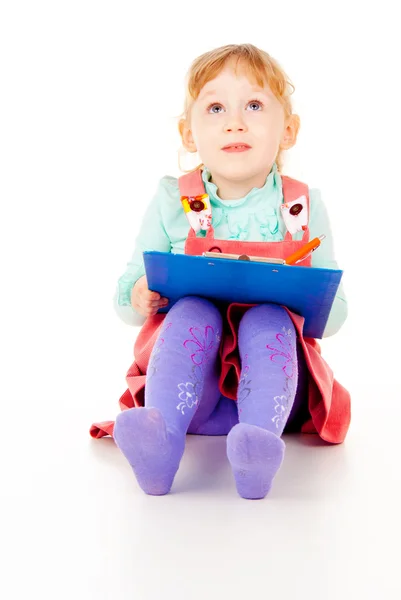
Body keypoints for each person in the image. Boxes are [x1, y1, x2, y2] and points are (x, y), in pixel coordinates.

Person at [90, 43, 350, 500]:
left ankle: (257, 451)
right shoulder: (174, 201)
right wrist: (138, 294)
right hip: (192, 394)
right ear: (189, 134)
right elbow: (125, 293)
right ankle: (161, 439)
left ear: (287, 130)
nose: (235, 121)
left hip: (270, 396)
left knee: (269, 318)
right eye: (215, 107)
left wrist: (306, 295)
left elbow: (337, 314)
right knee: (192, 310)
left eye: (254, 105)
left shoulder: (301, 206)